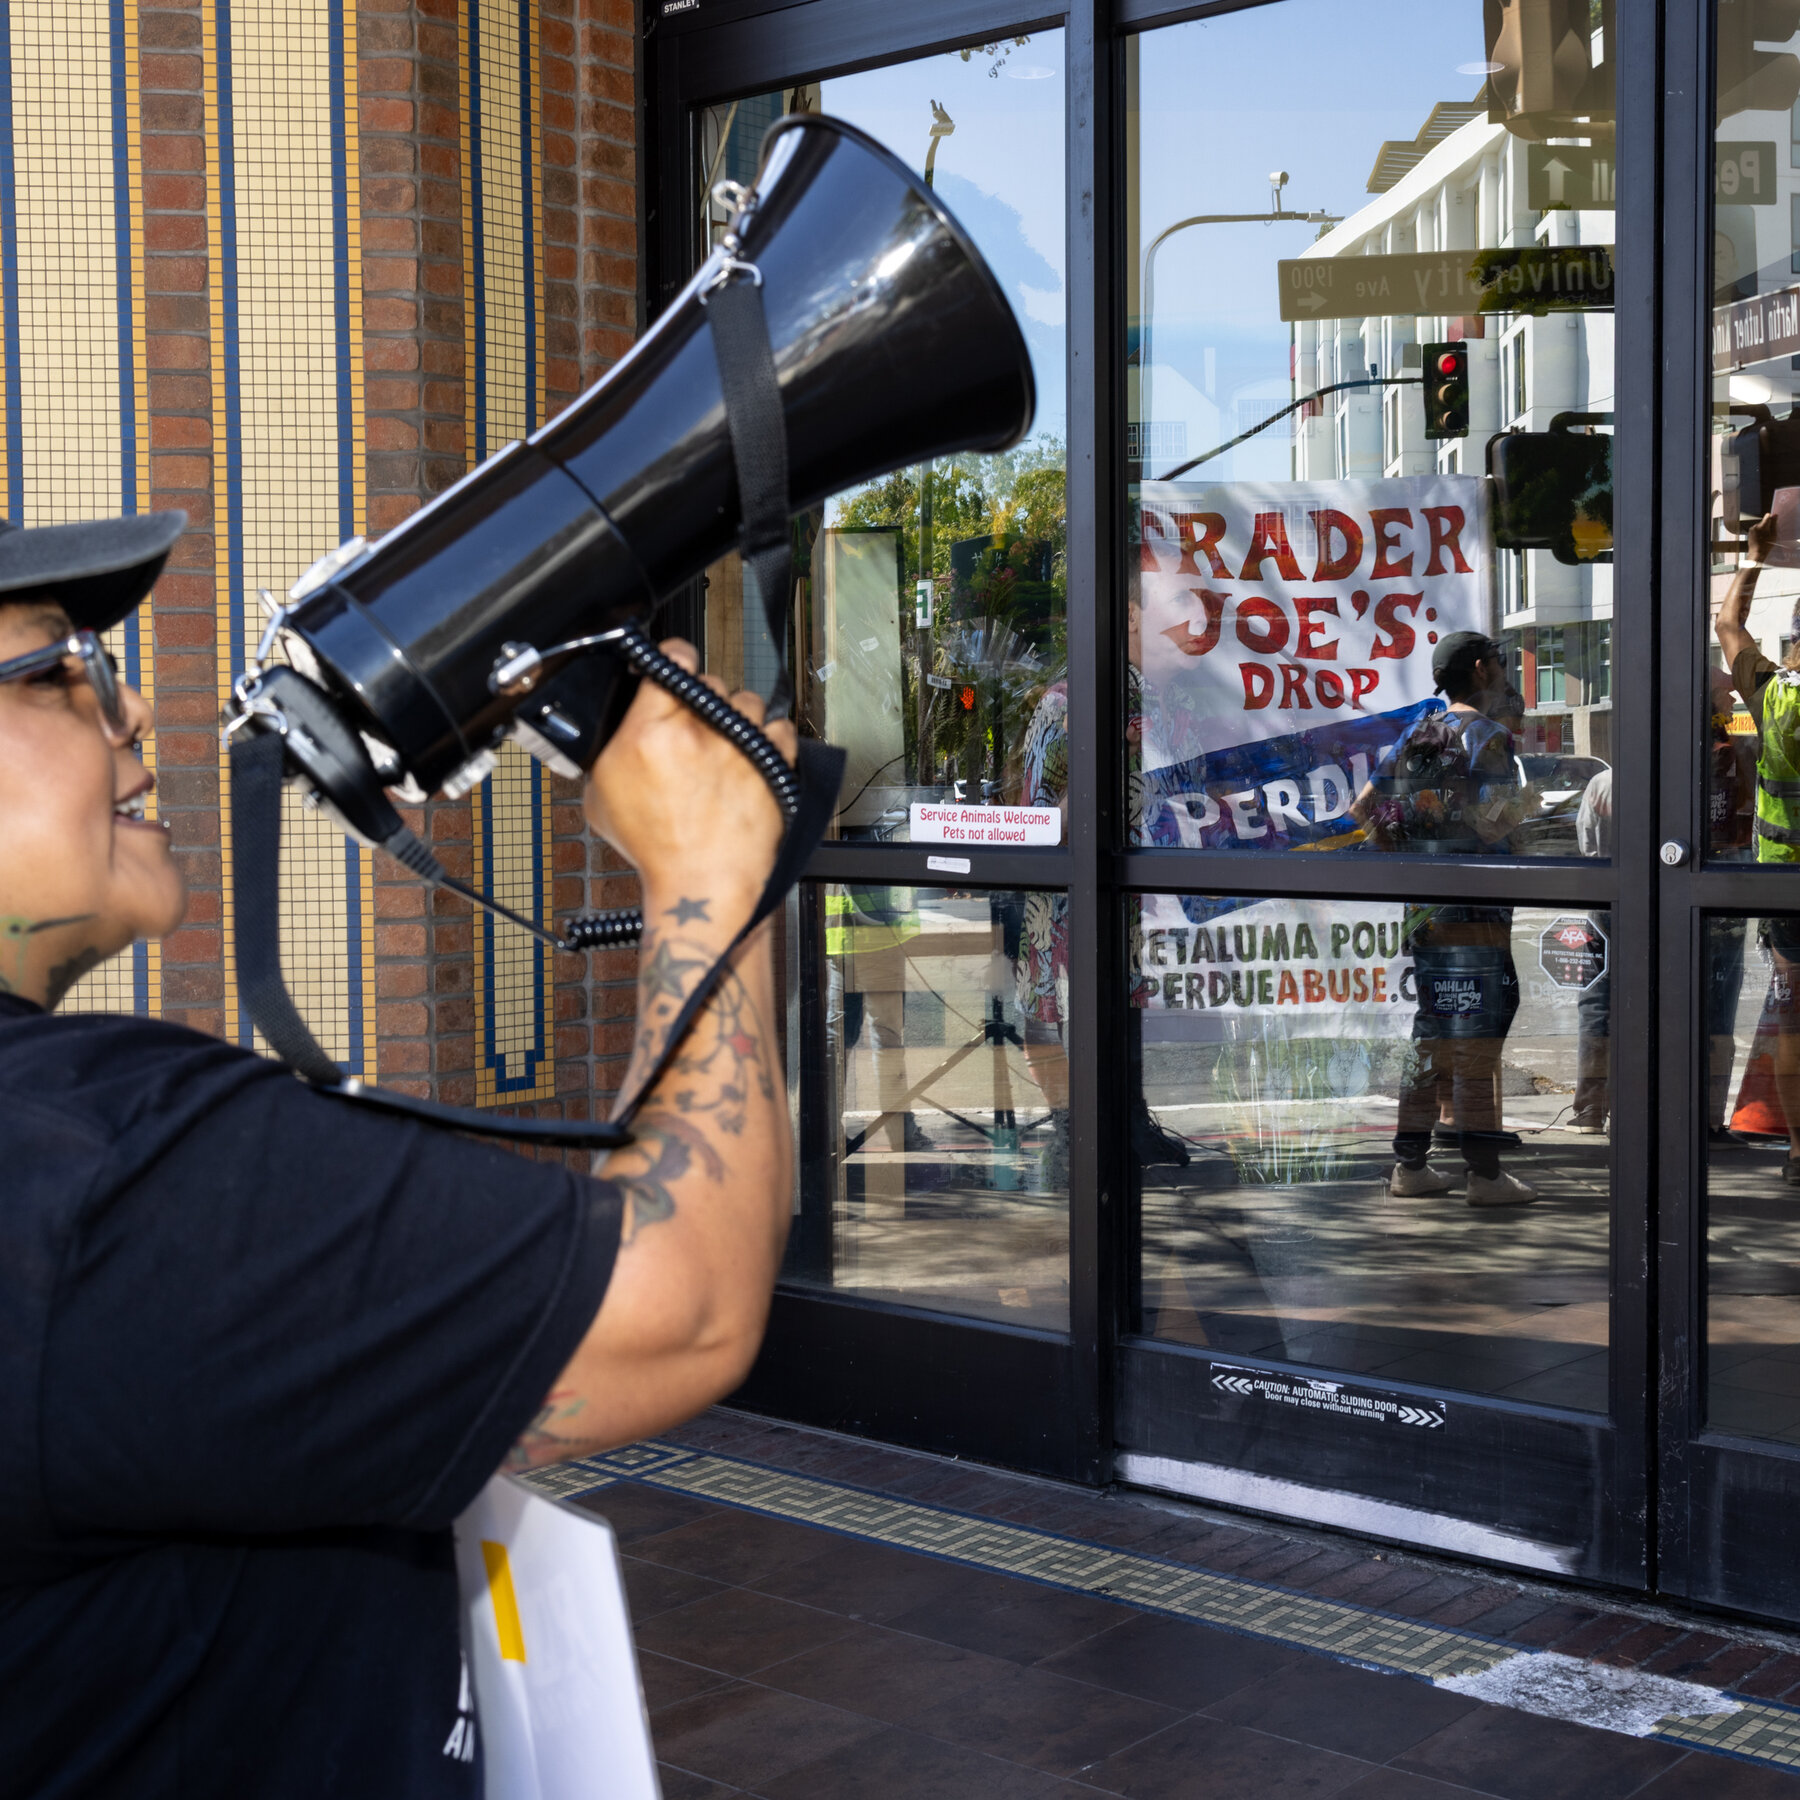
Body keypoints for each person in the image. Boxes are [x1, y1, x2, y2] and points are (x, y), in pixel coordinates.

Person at [0, 511, 798, 1795]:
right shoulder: (100, 1173)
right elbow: (681, 1308)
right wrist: (711, 867)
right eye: (58, 671)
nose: (129, 708)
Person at [1352, 631, 1537, 1206]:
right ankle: (1484, 1175)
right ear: (1481, 669)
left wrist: (1412, 861)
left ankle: (1410, 1165)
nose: (1504, 670)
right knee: (1476, 1037)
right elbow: (1490, 824)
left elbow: (1362, 809)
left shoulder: (1417, 733)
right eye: (1500, 662)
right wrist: (1529, 808)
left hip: (1427, 911)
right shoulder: (1489, 737)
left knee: (1432, 1034)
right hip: (1476, 911)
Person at [1714, 507, 1800, 1181]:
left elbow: (1727, 624)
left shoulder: (1773, 693)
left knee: (1794, 1019)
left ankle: (1799, 1151)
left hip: (1786, 886)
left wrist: (1754, 555)